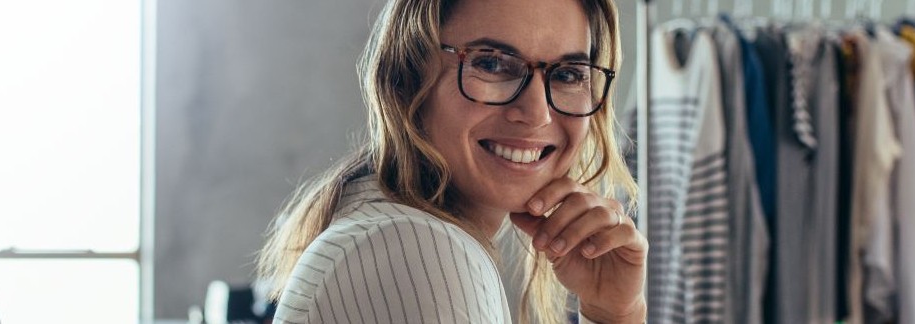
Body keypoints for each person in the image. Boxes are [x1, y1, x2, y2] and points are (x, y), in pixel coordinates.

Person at [255, 0, 646, 323]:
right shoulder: (418, 248)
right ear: (408, 75)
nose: (537, 113)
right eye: (491, 63)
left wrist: (615, 312)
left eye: (568, 74)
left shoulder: (393, 232)